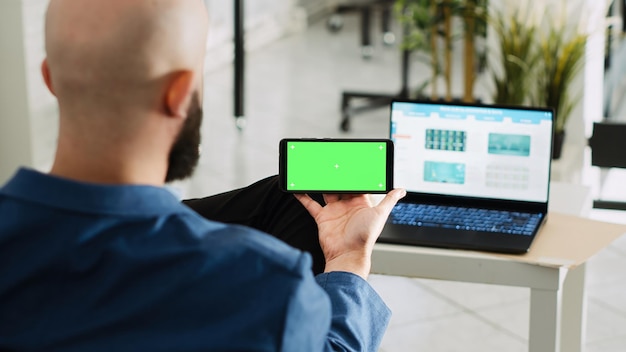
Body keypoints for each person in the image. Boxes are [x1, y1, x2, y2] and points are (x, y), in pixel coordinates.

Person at [0, 0, 406, 351]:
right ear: (179, 94)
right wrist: (348, 261)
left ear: (50, 78)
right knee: (300, 204)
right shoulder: (264, 282)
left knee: (282, 194)